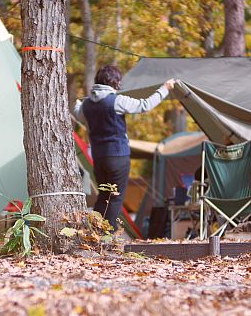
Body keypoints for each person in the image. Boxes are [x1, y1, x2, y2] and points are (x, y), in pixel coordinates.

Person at [73, 65, 175, 229]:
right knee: (115, 198)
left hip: (98, 158)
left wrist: (78, 104)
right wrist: (165, 88)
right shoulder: (116, 101)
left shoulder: (87, 105)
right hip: (118, 156)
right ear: (114, 82)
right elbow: (145, 105)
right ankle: (106, 236)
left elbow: (78, 112)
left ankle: (93, 232)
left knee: (104, 195)